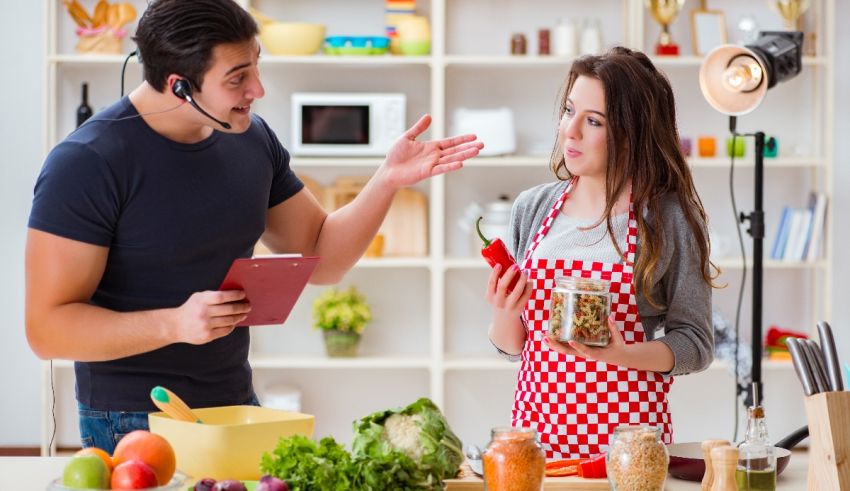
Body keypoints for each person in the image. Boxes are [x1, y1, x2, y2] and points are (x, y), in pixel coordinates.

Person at [26, 0, 482, 454]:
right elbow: (47, 329)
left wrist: (387, 180)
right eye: (237, 77)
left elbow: (322, 257)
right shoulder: (88, 162)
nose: (258, 89)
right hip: (132, 418)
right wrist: (174, 324)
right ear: (179, 85)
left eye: (255, 66)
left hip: (235, 401)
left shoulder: (251, 138)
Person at [485, 46, 716, 459]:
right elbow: (514, 348)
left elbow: (695, 344)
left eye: (592, 121)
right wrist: (504, 312)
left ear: (632, 134)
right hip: (538, 443)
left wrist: (622, 354)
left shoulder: (668, 219)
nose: (569, 131)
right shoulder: (532, 209)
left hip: (630, 451)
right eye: (569, 111)